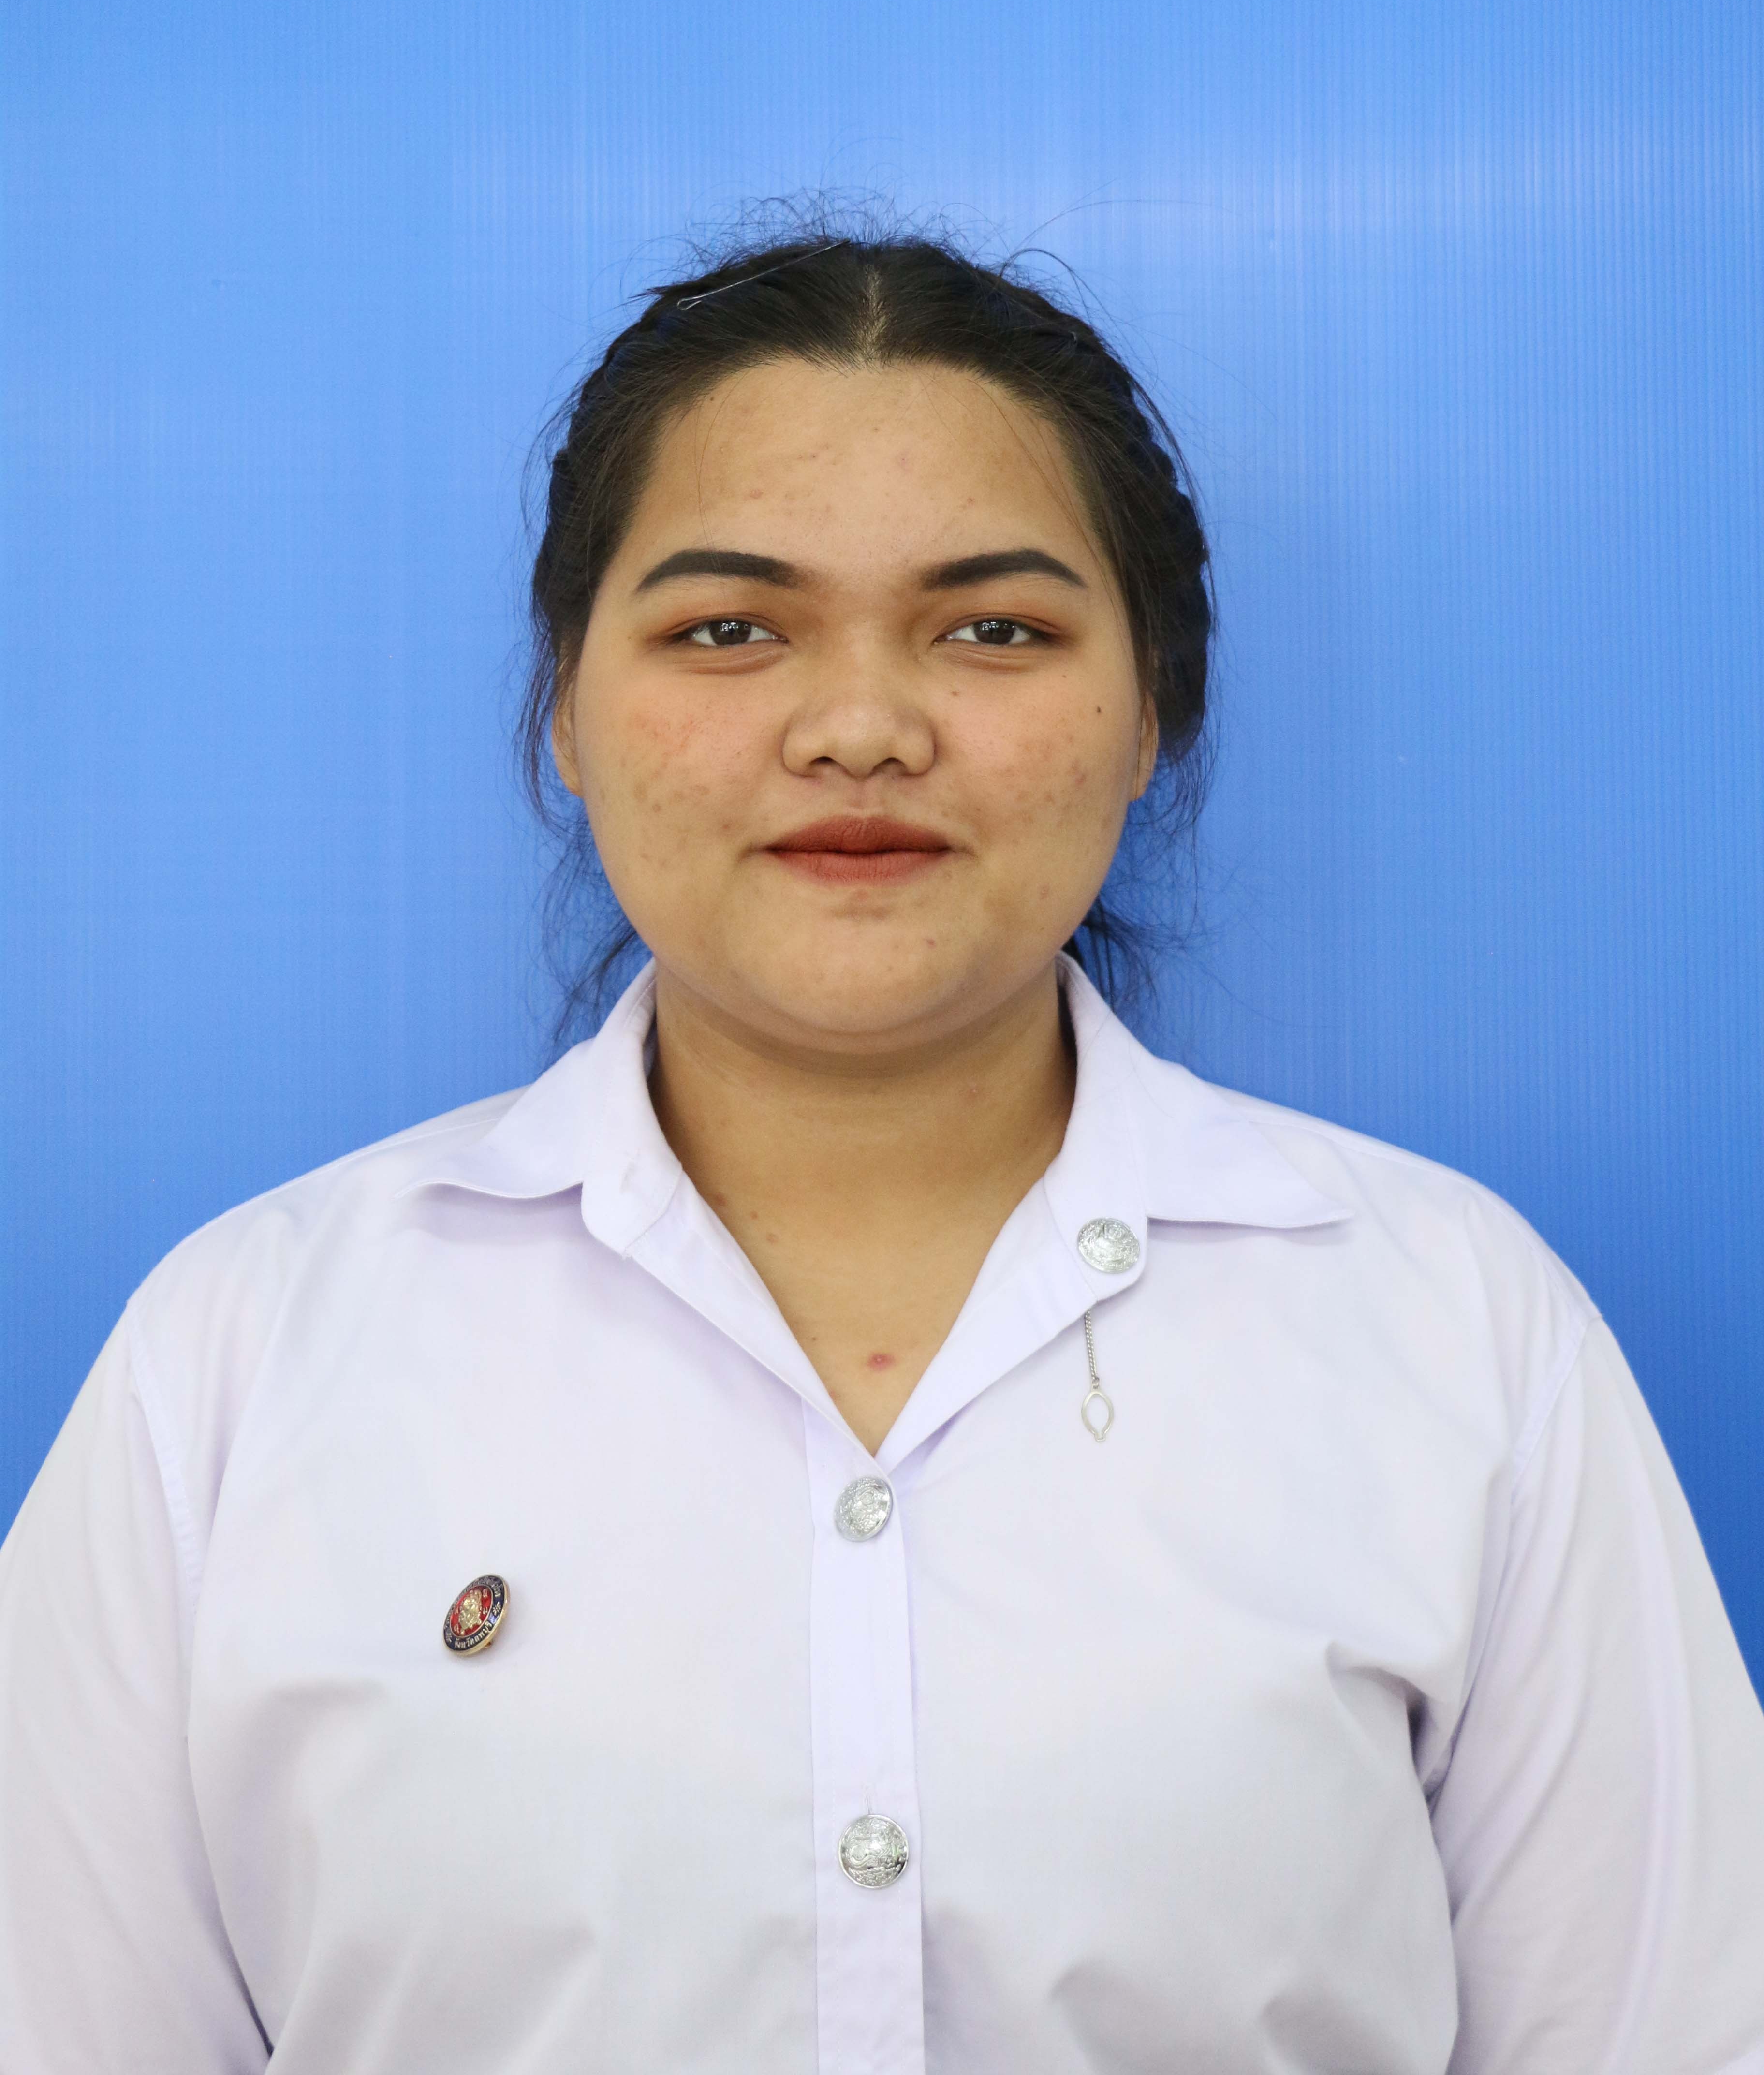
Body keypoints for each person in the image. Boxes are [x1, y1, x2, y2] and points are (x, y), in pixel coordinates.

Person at [1, 229, 1761, 2074]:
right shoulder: (247, 1355)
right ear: (566, 712)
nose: (860, 729)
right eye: (727, 629)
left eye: (995, 629)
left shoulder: (1451, 1332)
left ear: (1153, 709)